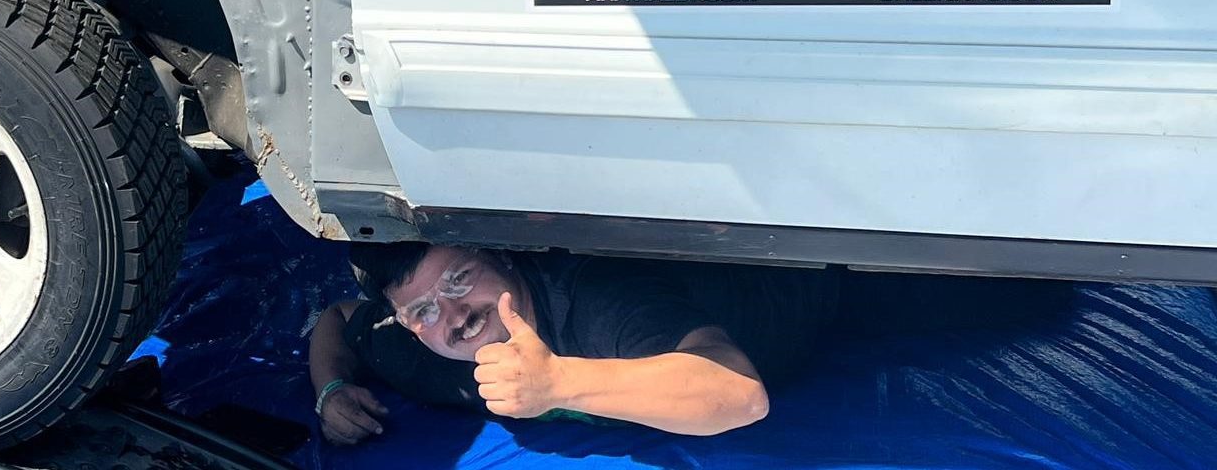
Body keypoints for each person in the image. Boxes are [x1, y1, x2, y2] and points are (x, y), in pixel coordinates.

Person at [308, 243, 1072, 446]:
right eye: (423, 310)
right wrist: (332, 390)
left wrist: (558, 384)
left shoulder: (595, 303)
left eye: (460, 280)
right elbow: (337, 320)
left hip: (814, 293)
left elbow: (736, 393)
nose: (453, 316)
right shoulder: (419, 348)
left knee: (1046, 295)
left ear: (503, 261)